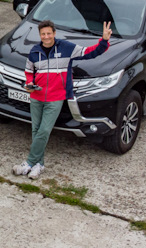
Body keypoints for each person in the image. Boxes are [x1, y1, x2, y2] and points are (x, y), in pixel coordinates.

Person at [13, 19, 112, 180]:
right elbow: (29, 71)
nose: (46, 37)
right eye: (43, 34)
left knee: (44, 130)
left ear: (54, 33)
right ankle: (39, 165)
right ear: (40, 35)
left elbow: (90, 52)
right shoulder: (34, 51)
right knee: (36, 131)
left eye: (49, 33)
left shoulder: (67, 48)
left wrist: (104, 41)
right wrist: (29, 83)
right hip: (36, 96)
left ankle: (29, 163)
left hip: (55, 97)